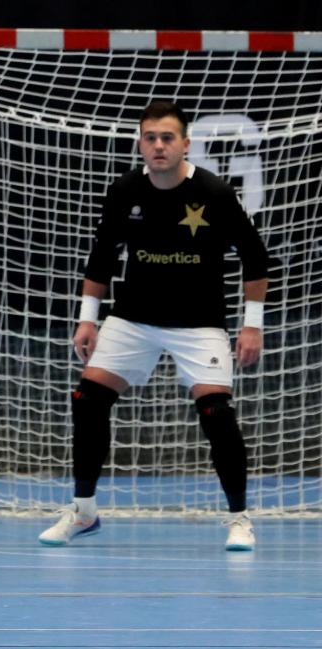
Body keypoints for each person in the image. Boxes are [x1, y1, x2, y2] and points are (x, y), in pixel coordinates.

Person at [38, 100, 270, 551]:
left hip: (199, 322)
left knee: (217, 413)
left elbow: (256, 260)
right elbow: (102, 258)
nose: (159, 145)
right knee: (87, 400)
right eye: (150, 138)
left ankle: (240, 519)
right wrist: (88, 319)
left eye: (167, 137)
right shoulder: (124, 190)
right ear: (141, 144)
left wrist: (252, 326)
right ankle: (83, 511)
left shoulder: (215, 192)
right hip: (133, 318)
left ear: (186, 144)